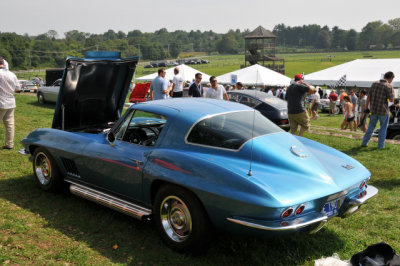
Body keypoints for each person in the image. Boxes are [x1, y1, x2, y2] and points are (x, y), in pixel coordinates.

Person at [361, 71, 395, 149]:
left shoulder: (374, 83)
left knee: (370, 128)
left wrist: (367, 107)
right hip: (383, 111)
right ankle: (380, 146)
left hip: (374, 110)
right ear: (391, 78)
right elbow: (391, 100)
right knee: (383, 129)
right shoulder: (389, 86)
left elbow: (368, 96)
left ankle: (364, 143)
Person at [0, 57, 21, 149]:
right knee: (10, 125)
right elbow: (18, 89)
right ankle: (9, 144)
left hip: (1, 102)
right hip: (11, 103)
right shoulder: (13, 75)